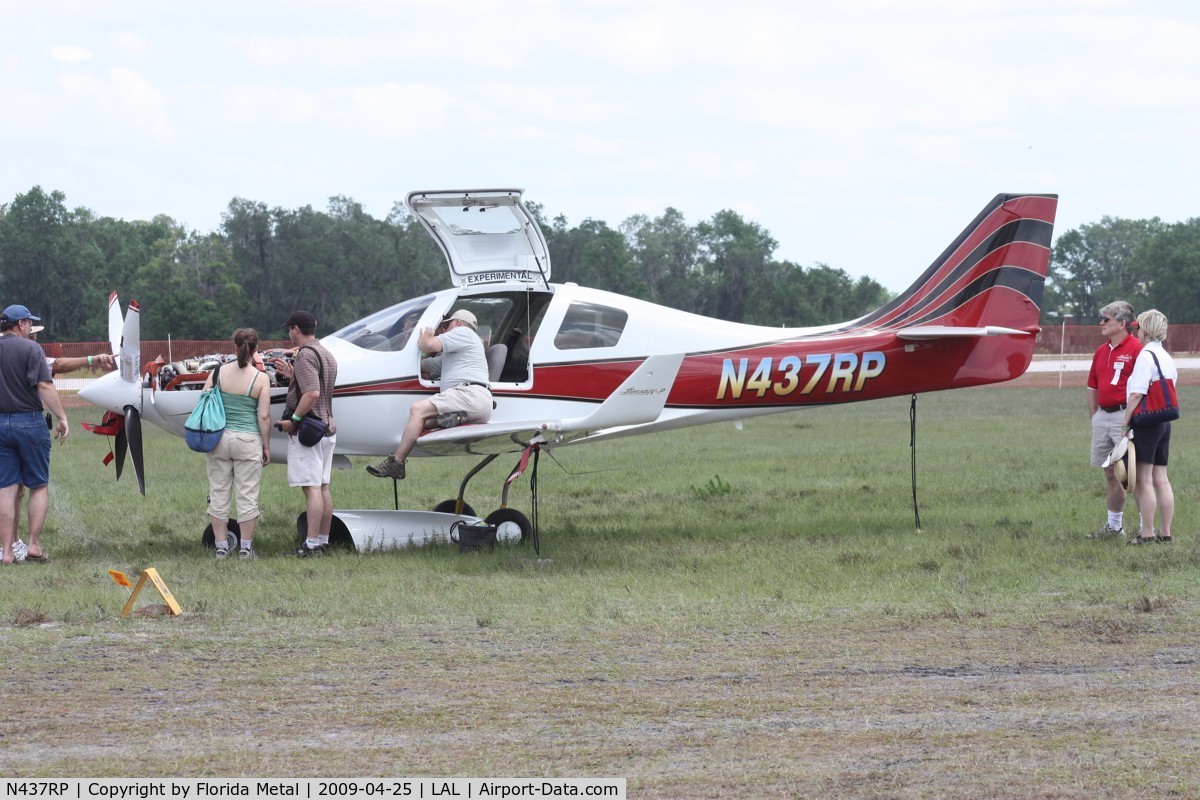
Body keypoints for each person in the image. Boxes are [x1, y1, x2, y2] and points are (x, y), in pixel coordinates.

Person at [367, 309, 491, 480]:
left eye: (447, 325)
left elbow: (428, 346)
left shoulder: (464, 333)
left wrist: (425, 338)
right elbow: (426, 366)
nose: (445, 330)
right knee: (422, 422)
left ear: (458, 323)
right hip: (475, 403)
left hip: (468, 394)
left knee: (417, 410)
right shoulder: (456, 352)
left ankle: (397, 463)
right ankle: (454, 418)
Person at [0, 305, 69, 565]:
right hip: (28, 421)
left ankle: (6, 551)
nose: (31, 329)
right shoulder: (31, 349)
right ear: (20, 324)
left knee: (5, 488)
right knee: (38, 485)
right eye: (30, 324)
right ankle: (34, 545)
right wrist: (61, 417)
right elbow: (43, 385)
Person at [270, 311, 338, 557]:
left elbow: (312, 393)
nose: (289, 334)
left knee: (311, 488)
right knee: (322, 487)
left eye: (289, 330)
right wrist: (292, 378)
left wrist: (293, 421)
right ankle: (323, 541)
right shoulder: (326, 353)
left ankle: (310, 545)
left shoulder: (305, 356)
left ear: (295, 329)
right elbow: (315, 386)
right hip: (327, 428)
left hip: (309, 430)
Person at [201, 329, 272, 559]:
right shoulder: (260, 378)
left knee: (219, 493)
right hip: (247, 440)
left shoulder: (218, 372)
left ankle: (221, 546)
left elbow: (204, 399)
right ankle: (246, 548)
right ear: (256, 348)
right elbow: (263, 417)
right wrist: (266, 446)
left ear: (235, 346)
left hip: (219, 439)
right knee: (247, 495)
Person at [1086, 300, 1142, 539]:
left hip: (1124, 416)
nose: (1101, 323)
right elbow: (1092, 387)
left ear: (1122, 323)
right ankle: (1114, 527)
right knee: (1110, 473)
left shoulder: (1138, 349)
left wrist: (1130, 420)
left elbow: (1143, 389)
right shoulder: (1101, 351)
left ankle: (1145, 528)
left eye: (1106, 319)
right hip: (1103, 416)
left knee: (1132, 475)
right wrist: (1095, 416)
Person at [1122, 310, 1177, 545]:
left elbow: (1136, 394)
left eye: (1138, 328)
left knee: (1143, 480)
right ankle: (1166, 532)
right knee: (1161, 478)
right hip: (1164, 421)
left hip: (1146, 422)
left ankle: (1146, 533)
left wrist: (1124, 424)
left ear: (1145, 330)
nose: (1137, 331)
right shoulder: (1166, 355)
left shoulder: (1145, 356)